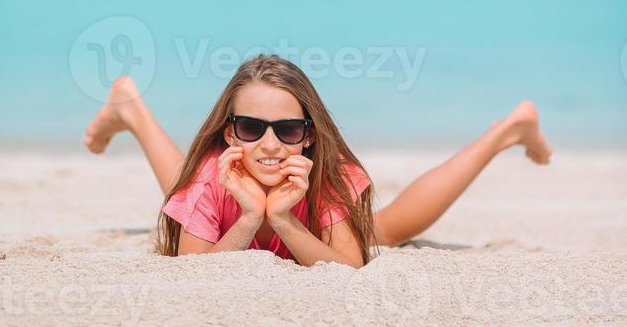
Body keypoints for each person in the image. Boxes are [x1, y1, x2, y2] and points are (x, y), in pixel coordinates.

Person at [84, 54, 552, 268]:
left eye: (287, 130)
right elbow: (192, 270)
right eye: (250, 128)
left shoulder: (322, 177)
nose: (270, 145)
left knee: (385, 232)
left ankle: (504, 132)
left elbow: (348, 267)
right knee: (190, 187)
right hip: (221, 183)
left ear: (307, 137)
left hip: (312, 197)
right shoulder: (214, 171)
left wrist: (284, 219)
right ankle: (131, 110)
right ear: (230, 132)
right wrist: (249, 216)